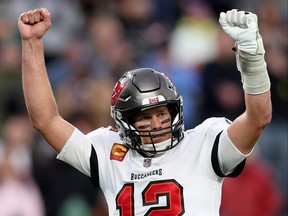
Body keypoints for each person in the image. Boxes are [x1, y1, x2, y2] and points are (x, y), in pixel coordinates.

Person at [18, 8, 272, 215]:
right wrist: (32, 43)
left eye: (163, 113)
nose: (157, 123)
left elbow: (258, 118)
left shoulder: (204, 143)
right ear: (124, 123)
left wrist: (252, 59)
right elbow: (45, 120)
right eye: (145, 117)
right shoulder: (108, 151)